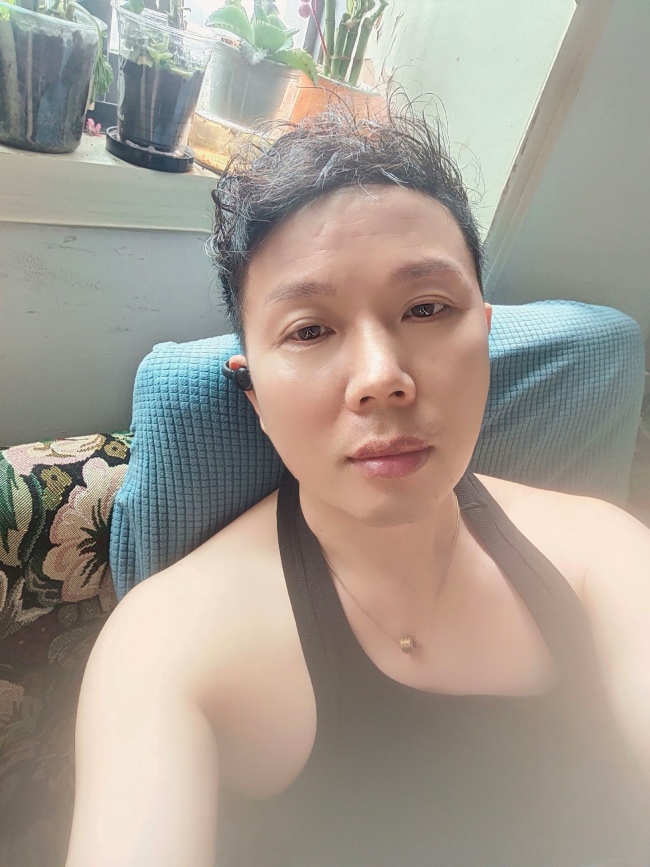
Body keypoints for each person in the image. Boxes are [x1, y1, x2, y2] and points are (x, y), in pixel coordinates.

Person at [65, 106, 650, 867]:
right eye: (309, 330)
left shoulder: (602, 552)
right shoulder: (169, 646)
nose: (381, 378)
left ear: (485, 335)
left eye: (426, 308)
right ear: (254, 395)